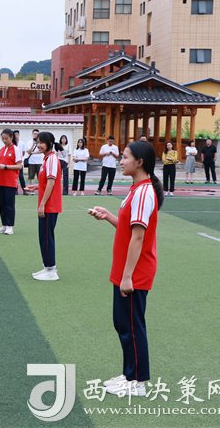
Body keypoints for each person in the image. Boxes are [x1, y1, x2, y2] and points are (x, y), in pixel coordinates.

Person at [88, 140, 164, 397]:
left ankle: (137, 382)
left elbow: (138, 237)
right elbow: (129, 228)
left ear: (139, 162)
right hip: (125, 270)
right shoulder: (136, 189)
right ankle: (129, 374)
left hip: (135, 272)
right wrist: (108, 216)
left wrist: (128, 276)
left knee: (132, 325)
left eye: (125, 157)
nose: (121, 161)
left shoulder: (143, 192)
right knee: (123, 324)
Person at [27, 132, 62, 281]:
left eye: (42, 142)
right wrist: (36, 187)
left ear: (49, 143)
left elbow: (52, 182)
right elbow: (47, 182)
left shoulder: (52, 159)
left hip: (50, 205)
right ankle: (47, 267)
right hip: (47, 204)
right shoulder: (46, 159)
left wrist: (42, 204)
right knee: (44, 237)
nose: (39, 145)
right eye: (38, 142)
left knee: (47, 237)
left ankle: (51, 270)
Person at [0, 128, 22, 235]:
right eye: (3, 139)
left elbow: (19, 166)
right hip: (0, 181)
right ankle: (4, 224)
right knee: (1, 204)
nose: (4, 140)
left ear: (11, 137)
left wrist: (5, 166)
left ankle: (10, 226)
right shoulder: (1, 149)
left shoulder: (16, 149)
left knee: (9, 204)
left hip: (10, 182)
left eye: (6, 138)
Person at [14, 130, 28, 195]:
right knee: (15, 177)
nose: (16, 136)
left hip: (19, 163)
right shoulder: (12, 144)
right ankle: (15, 190)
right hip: (13, 164)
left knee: (21, 177)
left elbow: (23, 152)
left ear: (19, 135)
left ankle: (24, 190)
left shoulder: (22, 143)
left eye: (17, 134)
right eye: (15, 135)